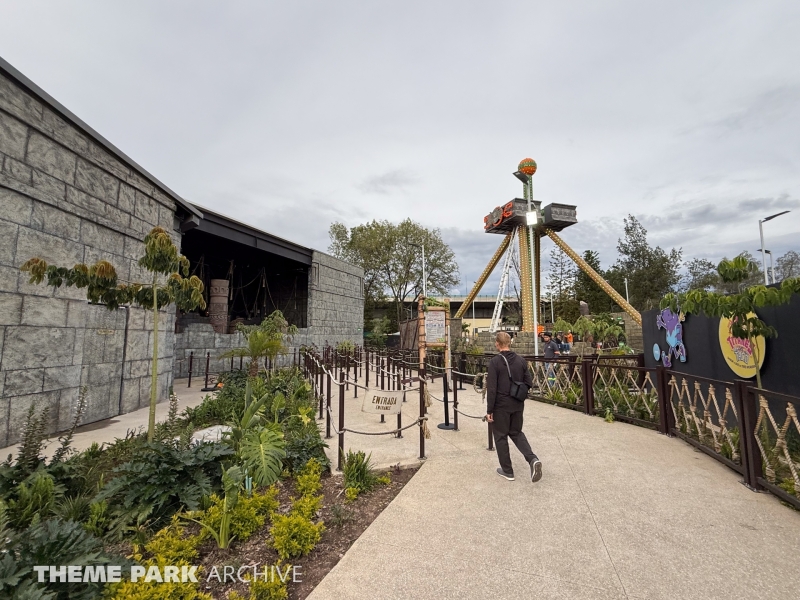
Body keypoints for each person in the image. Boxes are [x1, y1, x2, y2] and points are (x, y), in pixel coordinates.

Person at [486, 331, 542, 482]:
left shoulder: (495, 362)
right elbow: (529, 382)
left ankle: (507, 470)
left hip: (501, 405)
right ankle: (532, 459)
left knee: (500, 436)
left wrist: (489, 410)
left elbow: (491, 388)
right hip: (517, 403)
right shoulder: (521, 360)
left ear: (497, 344)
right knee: (516, 432)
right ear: (509, 343)